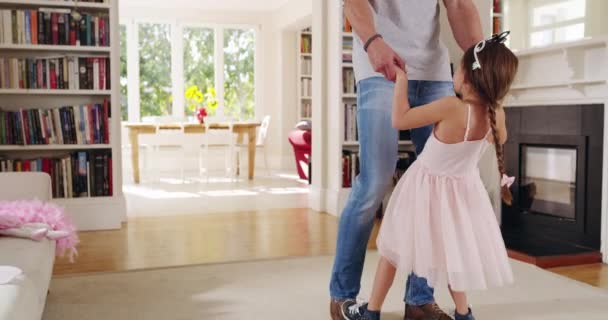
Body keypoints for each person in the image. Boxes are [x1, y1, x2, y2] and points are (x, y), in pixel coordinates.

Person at [341, 32, 519, 320]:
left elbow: (400, 119)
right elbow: (499, 136)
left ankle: (371, 311)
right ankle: (464, 313)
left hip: (423, 190)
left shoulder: (451, 107)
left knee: (392, 248)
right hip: (460, 196)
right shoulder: (495, 116)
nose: (453, 74)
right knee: (451, 255)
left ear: (470, 77)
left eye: (458, 68)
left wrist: (401, 80)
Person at [330, 1, 483, 319]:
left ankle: (419, 300)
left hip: (435, 71)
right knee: (375, 181)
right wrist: (372, 41)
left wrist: (483, 59)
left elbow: (458, 4)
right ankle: (343, 296)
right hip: (380, 63)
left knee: (438, 187)